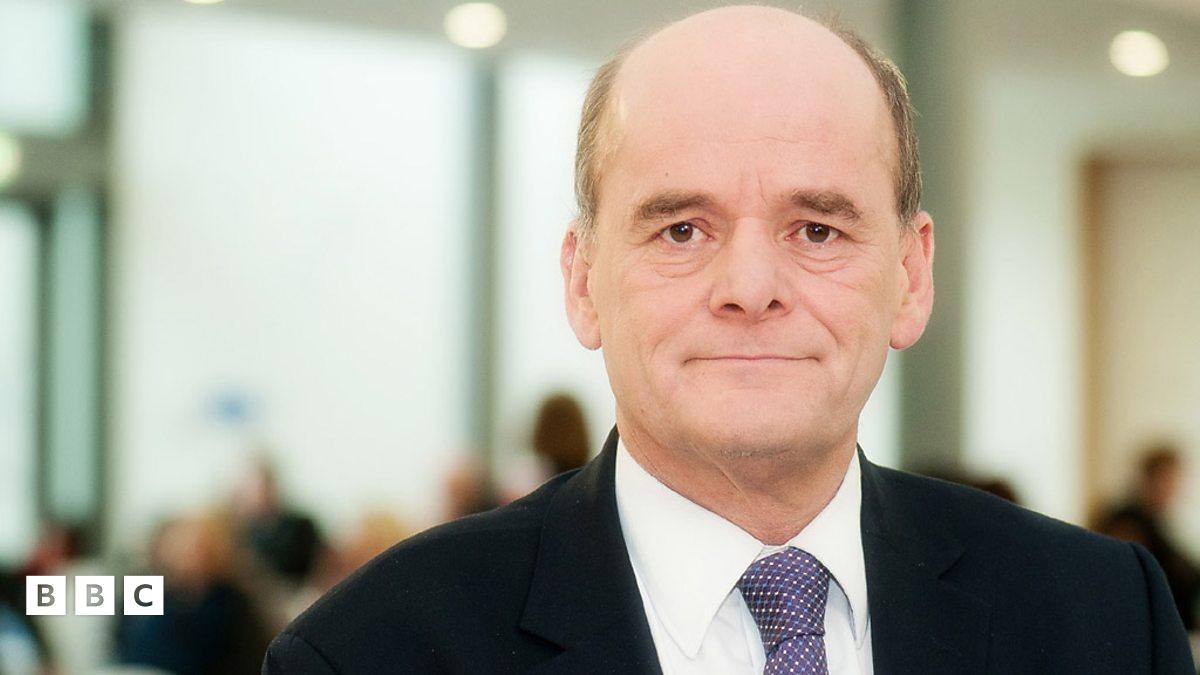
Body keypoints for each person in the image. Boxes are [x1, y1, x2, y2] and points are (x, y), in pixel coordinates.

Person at [263, 6, 1193, 673]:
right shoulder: (372, 649)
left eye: (817, 229)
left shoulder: (1103, 618)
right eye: (682, 230)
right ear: (583, 281)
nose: (750, 288)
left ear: (911, 277)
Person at [1099, 442, 1200, 632]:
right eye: (1165, 478)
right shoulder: (1126, 524)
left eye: (1174, 479)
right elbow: (1123, 583)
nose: (1171, 487)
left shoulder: (1160, 528)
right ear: (1147, 478)